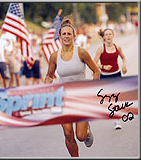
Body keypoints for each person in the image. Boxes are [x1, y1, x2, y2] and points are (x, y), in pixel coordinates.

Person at [45, 16, 100, 157]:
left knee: (80, 136)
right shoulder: (54, 56)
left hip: (81, 98)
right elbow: (49, 76)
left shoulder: (81, 52)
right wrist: (46, 88)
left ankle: (87, 130)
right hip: (63, 98)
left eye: (69, 34)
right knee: (68, 134)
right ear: (59, 36)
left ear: (74, 36)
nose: (67, 36)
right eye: (64, 34)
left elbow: (96, 71)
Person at [94, 28, 127, 129]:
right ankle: (115, 117)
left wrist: (124, 65)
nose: (108, 36)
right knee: (110, 99)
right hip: (105, 76)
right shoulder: (101, 48)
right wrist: (103, 67)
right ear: (103, 37)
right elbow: (94, 63)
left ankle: (117, 120)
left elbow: (123, 57)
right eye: (106, 34)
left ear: (113, 36)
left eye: (110, 34)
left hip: (116, 74)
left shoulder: (117, 47)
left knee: (116, 98)